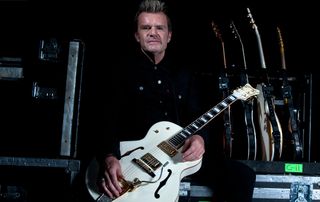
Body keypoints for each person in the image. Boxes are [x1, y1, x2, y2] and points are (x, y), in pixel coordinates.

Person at [94, 0, 256, 201]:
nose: (153, 33)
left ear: (168, 36)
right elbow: (105, 120)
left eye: (159, 28)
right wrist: (109, 156)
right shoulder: (120, 72)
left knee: (242, 176)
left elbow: (198, 113)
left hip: (177, 155)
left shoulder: (184, 73)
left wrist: (200, 138)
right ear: (137, 36)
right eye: (146, 28)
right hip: (134, 160)